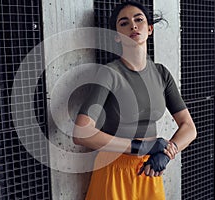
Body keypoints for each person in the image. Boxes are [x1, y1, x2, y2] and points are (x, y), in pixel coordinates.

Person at [73, 1, 197, 200]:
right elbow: (81, 132)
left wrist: (167, 153)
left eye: (139, 20)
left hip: (151, 169)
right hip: (114, 171)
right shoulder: (110, 74)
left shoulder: (161, 73)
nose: (133, 26)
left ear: (149, 29)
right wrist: (141, 147)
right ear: (116, 35)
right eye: (124, 23)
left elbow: (189, 127)